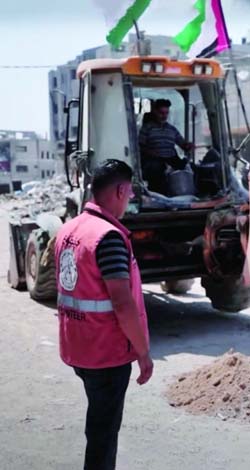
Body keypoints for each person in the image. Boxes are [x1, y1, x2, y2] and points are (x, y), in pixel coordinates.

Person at [55, 159, 153, 470]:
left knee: (98, 423)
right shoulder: (108, 237)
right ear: (121, 190)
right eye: (130, 194)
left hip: (79, 347)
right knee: (103, 433)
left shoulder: (69, 229)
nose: (130, 200)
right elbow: (123, 305)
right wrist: (143, 352)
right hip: (106, 352)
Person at [138, 98, 194, 194]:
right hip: (154, 159)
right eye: (161, 113)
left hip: (171, 159)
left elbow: (182, 143)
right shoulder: (147, 128)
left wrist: (188, 145)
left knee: (190, 168)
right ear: (155, 111)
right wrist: (149, 151)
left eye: (166, 113)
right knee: (156, 168)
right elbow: (139, 146)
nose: (164, 116)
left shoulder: (172, 129)